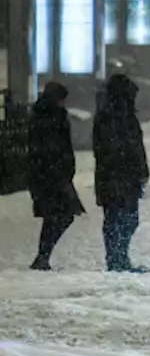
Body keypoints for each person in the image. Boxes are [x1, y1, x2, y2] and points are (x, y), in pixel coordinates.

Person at [93, 74, 150, 273]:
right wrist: (136, 169)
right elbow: (127, 147)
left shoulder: (117, 116)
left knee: (122, 218)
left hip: (118, 175)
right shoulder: (114, 117)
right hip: (119, 175)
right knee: (119, 218)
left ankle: (118, 257)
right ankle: (116, 258)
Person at [27, 82, 84, 270]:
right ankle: (42, 257)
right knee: (61, 215)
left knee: (55, 215)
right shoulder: (54, 116)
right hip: (54, 174)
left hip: (47, 173)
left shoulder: (40, 114)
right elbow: (58, 146)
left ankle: (43, 256)